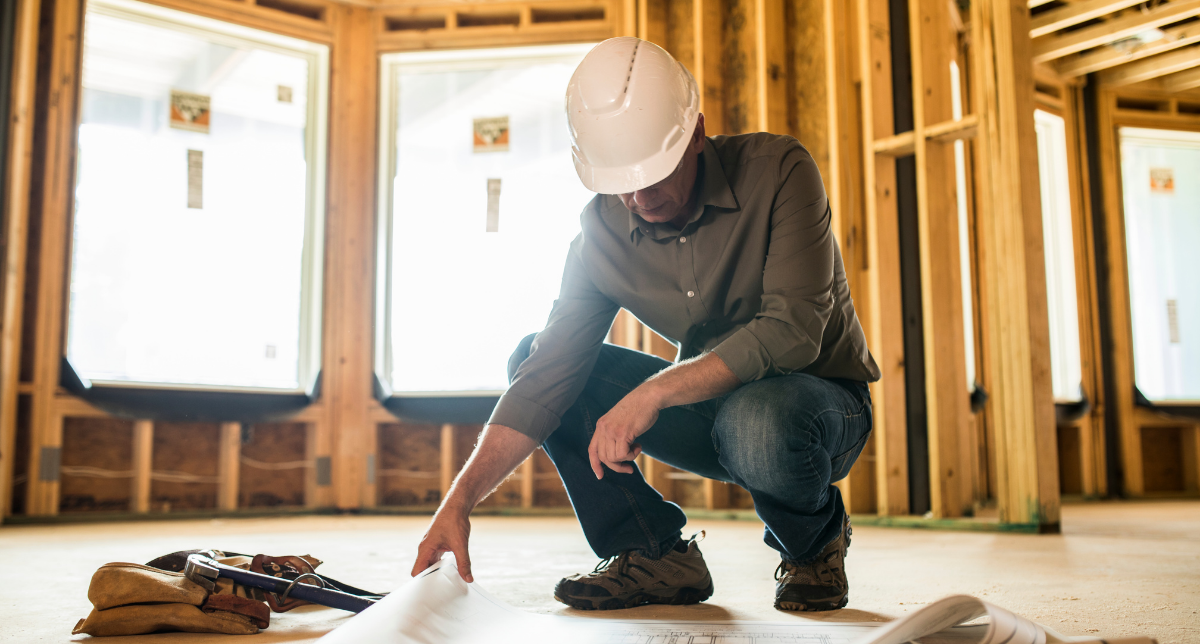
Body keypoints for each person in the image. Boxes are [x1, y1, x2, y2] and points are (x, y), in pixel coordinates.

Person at [411, 37, 880, 612]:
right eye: (619, 183)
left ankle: (814, 545)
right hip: (714, 408)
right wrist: (457, 502)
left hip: (821, 406)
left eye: (654, 175)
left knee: (756, 421)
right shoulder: (598, 236)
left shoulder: (779, 171)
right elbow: (544, 380)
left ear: (697, 135)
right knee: (532, 355)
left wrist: (654, 391)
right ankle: (652, 554)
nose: (637, 197)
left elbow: (795, 328)